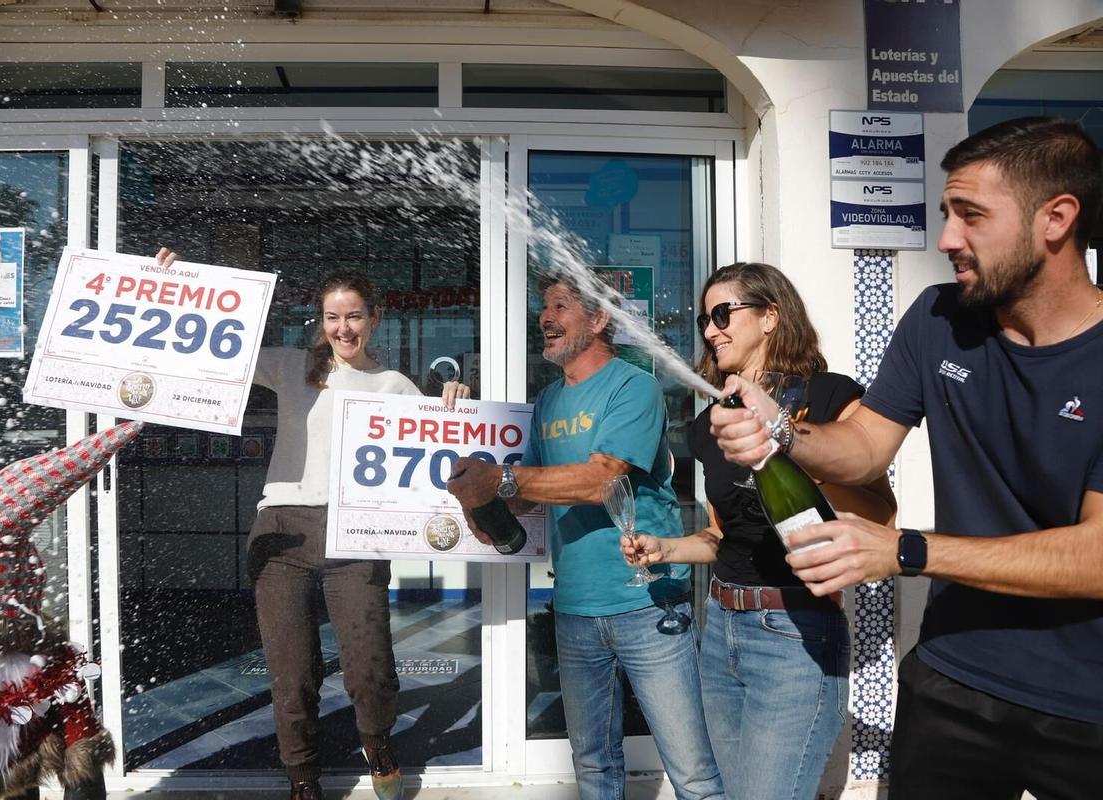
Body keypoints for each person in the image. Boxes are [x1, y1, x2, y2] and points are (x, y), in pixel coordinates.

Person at [709, 116, 1103, 798]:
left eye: (971, 216)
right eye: (946, 213)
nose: (948, 238)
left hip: (1088, 701)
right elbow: (863, 450)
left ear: (1057, 218)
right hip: (952, 677)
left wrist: (905, 551)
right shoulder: (937, 317)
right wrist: (783, 434)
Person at [157, 251, 468, 800]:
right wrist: (177, 284)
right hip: (282, 531)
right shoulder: (293, 366)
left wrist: (454, 408)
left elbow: (440, 458)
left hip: (357, 534)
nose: (342, 328)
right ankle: (303, 778)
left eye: (352, 316)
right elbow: (216, 344)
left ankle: (377, 741)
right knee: (293, 676)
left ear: (373, 319)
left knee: (369, 666)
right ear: (320, 322)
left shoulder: (395, 386)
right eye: (332, 317)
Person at [623, 262, 896, 800]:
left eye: (723, 314)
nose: (709, 330)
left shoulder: (830, 396)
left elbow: (882, 516)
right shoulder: (710, 425)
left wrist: (784, 445)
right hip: (722, 624)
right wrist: (665, 548)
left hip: (794, 632)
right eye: (705, 318)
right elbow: (726, 538)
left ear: (771, 316)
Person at [447, 273, 721, 800]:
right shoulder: (547, 401)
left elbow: (603, 479)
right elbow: (525, 497)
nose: (545, 317)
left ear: (598, 320)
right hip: (573, 607)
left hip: (647, 603)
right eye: (544, 307)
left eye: (560, 306)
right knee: (593, 766)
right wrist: (480, 501)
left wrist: (500, 479)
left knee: (691, 771)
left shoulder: (632, 385)